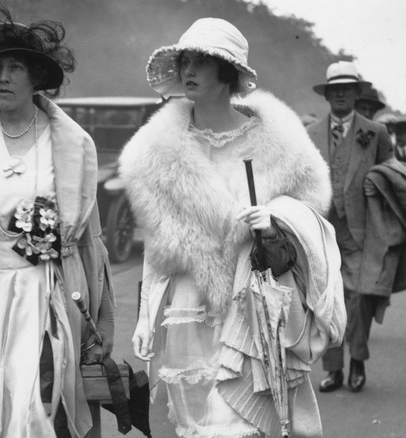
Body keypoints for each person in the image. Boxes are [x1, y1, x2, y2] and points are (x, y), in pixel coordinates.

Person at [121, 18, 346, 438]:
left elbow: (313, 209)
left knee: (241, 421)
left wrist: (277, 216)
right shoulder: (157, 150)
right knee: (196, 421)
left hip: (253, 300)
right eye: (185, 61)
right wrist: (143, 314)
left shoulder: (279, 142)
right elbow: (159, 238)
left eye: (202, 63)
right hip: (189, 299)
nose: (189, 71)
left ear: (227, 73)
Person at [0, 5, 115, 438]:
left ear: (36, 77)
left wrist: (103, 320)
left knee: (43, 406)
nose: (3, 77)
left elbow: (90, 240)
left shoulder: (70, 143)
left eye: (15, 67)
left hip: (45, 293)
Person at [306, 61, 394, 394]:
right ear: (327, 94)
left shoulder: (376, 132)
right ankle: (333, 369)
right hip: (321, 230)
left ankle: (357, 361)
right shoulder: (311, 133)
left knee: (358, 300)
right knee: (326, 298)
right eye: (334, 89)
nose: (340, 93)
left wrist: (377, 182)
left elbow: (391, 172)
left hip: (361, 231)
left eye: (347, 88)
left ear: (357, 93)